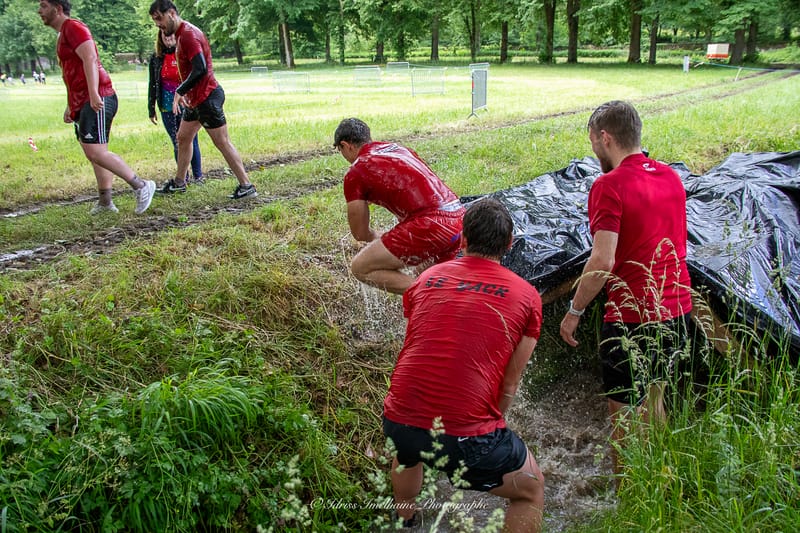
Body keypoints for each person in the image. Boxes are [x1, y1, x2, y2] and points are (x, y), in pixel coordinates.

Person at [382, 197, 544, 532]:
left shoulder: (426, 279)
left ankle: (405, 522)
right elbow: (510, 384)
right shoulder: (527, 297)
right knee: (531, 489)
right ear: (509, 244)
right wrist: (489, 426)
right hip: (465, 435)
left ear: (464, 240)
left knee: (408, 453)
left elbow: (422, 341)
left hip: (398, 418)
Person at [559, 100, 693, 479]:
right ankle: (660, 489)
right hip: (677, 311)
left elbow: (602, 261)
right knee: (656, 403)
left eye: (593, 142)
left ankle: (629, 500)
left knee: (623, 422)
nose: (593, 151)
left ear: (605, 137)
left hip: (632, 318)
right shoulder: (670, 176)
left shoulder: (608, 185)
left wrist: (575, 311)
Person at [38, 0, 155, 215]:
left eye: (44, 5)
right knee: (93, 151)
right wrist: (70, 103)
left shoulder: (74, 27)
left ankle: (141, 185)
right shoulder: (63, 33)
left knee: (96, 150)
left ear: (58, 8)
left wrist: (93, 93)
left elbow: (90, 58)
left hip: (98, 96)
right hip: (83, 99)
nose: (40, 11)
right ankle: (105, 202)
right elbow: (71, 73)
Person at [333, 118, 465, 294]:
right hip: (459, 220)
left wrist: (379, 237)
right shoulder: (399, 149)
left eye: (339, 150)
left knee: (361, 267)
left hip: (431, 225)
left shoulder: (356, 171)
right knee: (423, 274)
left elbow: (360, 233)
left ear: (345, 145)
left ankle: (428, 295)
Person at [148, 0, 256, 200]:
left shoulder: (189, 35)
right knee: (183, 137)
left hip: (207, 97)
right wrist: (186, 93)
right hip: (195, 99)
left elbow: (201, 68)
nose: (158, 25)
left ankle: (247, 185)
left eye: (159, 18)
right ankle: (180, 183)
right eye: (155, 21)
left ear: (171, 13)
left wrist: (180, 91)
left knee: (222, 142)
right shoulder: (180, 35)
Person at [147, 29, 203, 184]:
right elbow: (152, 83)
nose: (168, 38)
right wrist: (151, 108)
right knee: (176, 140)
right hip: (166, 105)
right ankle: (182, 177)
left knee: (191, 139)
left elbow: (196, 75)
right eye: (165, 36)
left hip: (187, 103)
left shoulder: (184, 54)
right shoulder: (156, 58)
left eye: (171, 35)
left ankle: (198, 176)